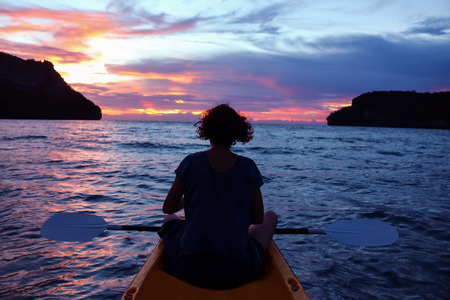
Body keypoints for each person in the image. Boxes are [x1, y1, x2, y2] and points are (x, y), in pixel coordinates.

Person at [159, 104, 278, 289]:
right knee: (271, 216)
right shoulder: (248, 167)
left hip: (188, 269)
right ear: (237, 133)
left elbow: (168, 208)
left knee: (170, 219)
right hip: (236, 272)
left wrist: (189, 199)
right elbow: (257, 218)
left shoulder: (190, 162)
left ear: (206, 130)